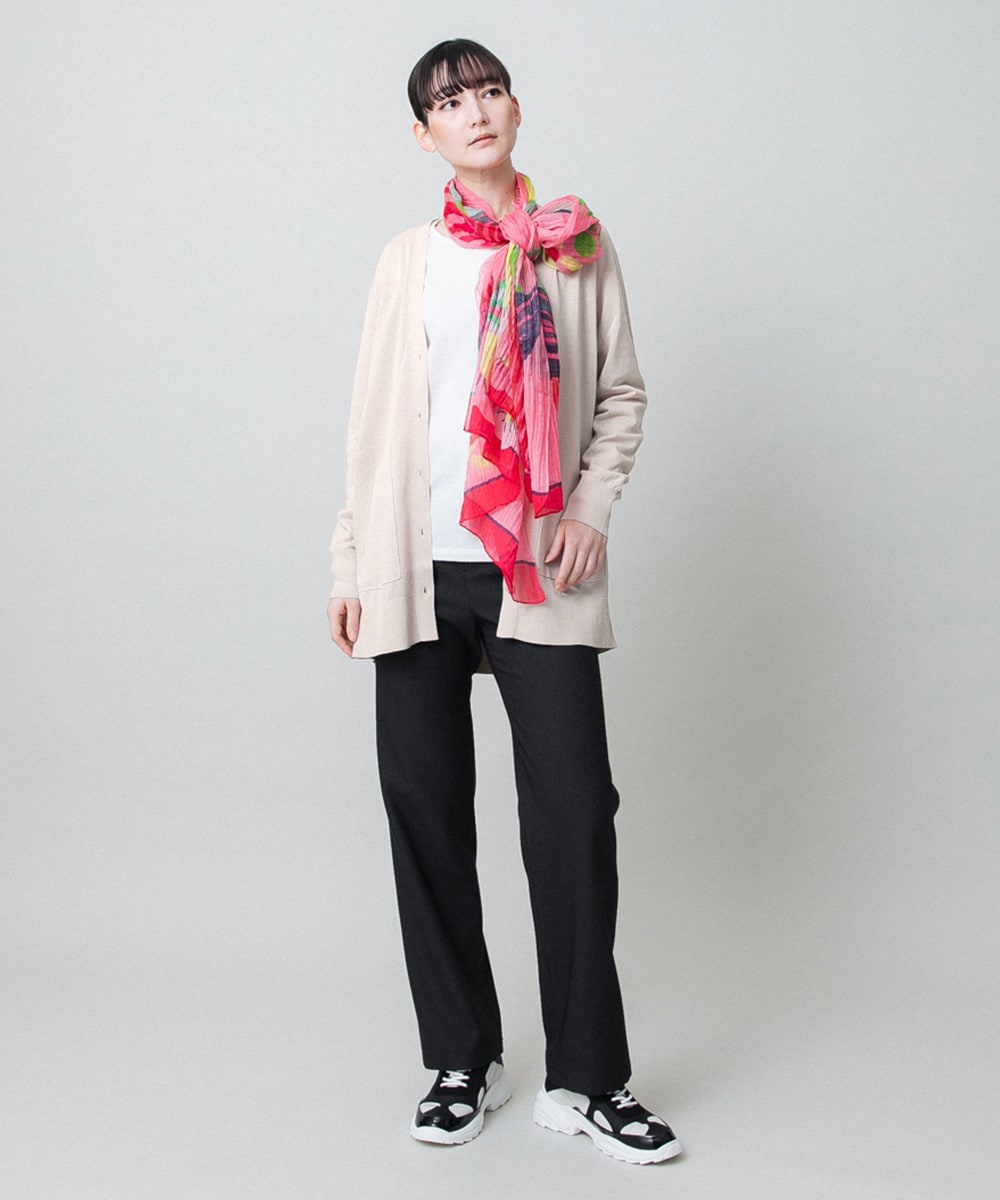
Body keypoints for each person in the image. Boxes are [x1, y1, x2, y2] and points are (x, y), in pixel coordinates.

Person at [327, 39, 681, 1166]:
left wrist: (592, 508)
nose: (472, 111)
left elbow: (620, 395)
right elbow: (370, 429)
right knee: (425, 813)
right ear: (422, 134)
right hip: (418, 565)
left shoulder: (575, 242)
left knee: (574, 815)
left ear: (515, 110)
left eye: (486, 92)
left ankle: (588, 1077)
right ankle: (460, 1058)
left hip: (539, 567)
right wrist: (350, 565)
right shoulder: (406, 261)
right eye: (448, 102)